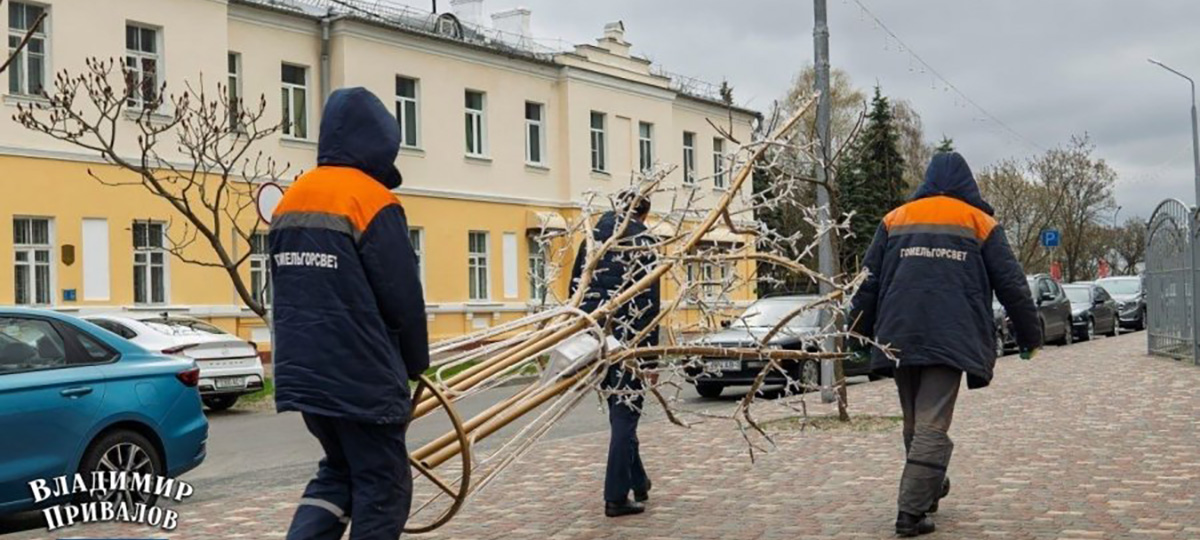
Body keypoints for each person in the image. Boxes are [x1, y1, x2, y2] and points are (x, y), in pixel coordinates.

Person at [848, 152, 1042, 537]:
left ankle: (929, 487)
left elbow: (866, 283)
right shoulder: (979, 222)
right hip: (950, 334)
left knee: (914, 420)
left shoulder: (896, 219)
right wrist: (1029, 337)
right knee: (932, 422)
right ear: (968, 184)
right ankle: (911, 512)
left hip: (898, 334)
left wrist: (854, 333)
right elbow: (1013, 286)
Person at [270, 87, 429, 540]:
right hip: (361, 377)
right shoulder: (371, 200)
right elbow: (402, 297)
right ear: (382, 143)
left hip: (305, 375)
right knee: (383, 486)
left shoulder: (292, 199)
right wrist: (415, 365)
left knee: (338, 473)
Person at [569, 191, 661, 518]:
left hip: (594, 338)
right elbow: (649, 304)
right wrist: (650, 359)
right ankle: (616, 497)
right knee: (626, 415)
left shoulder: (592, 237)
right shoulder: (644, 241)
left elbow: (575, 290)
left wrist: (578, 338)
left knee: (619, 412)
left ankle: (639, 480)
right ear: (643, 214)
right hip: (627, 339)